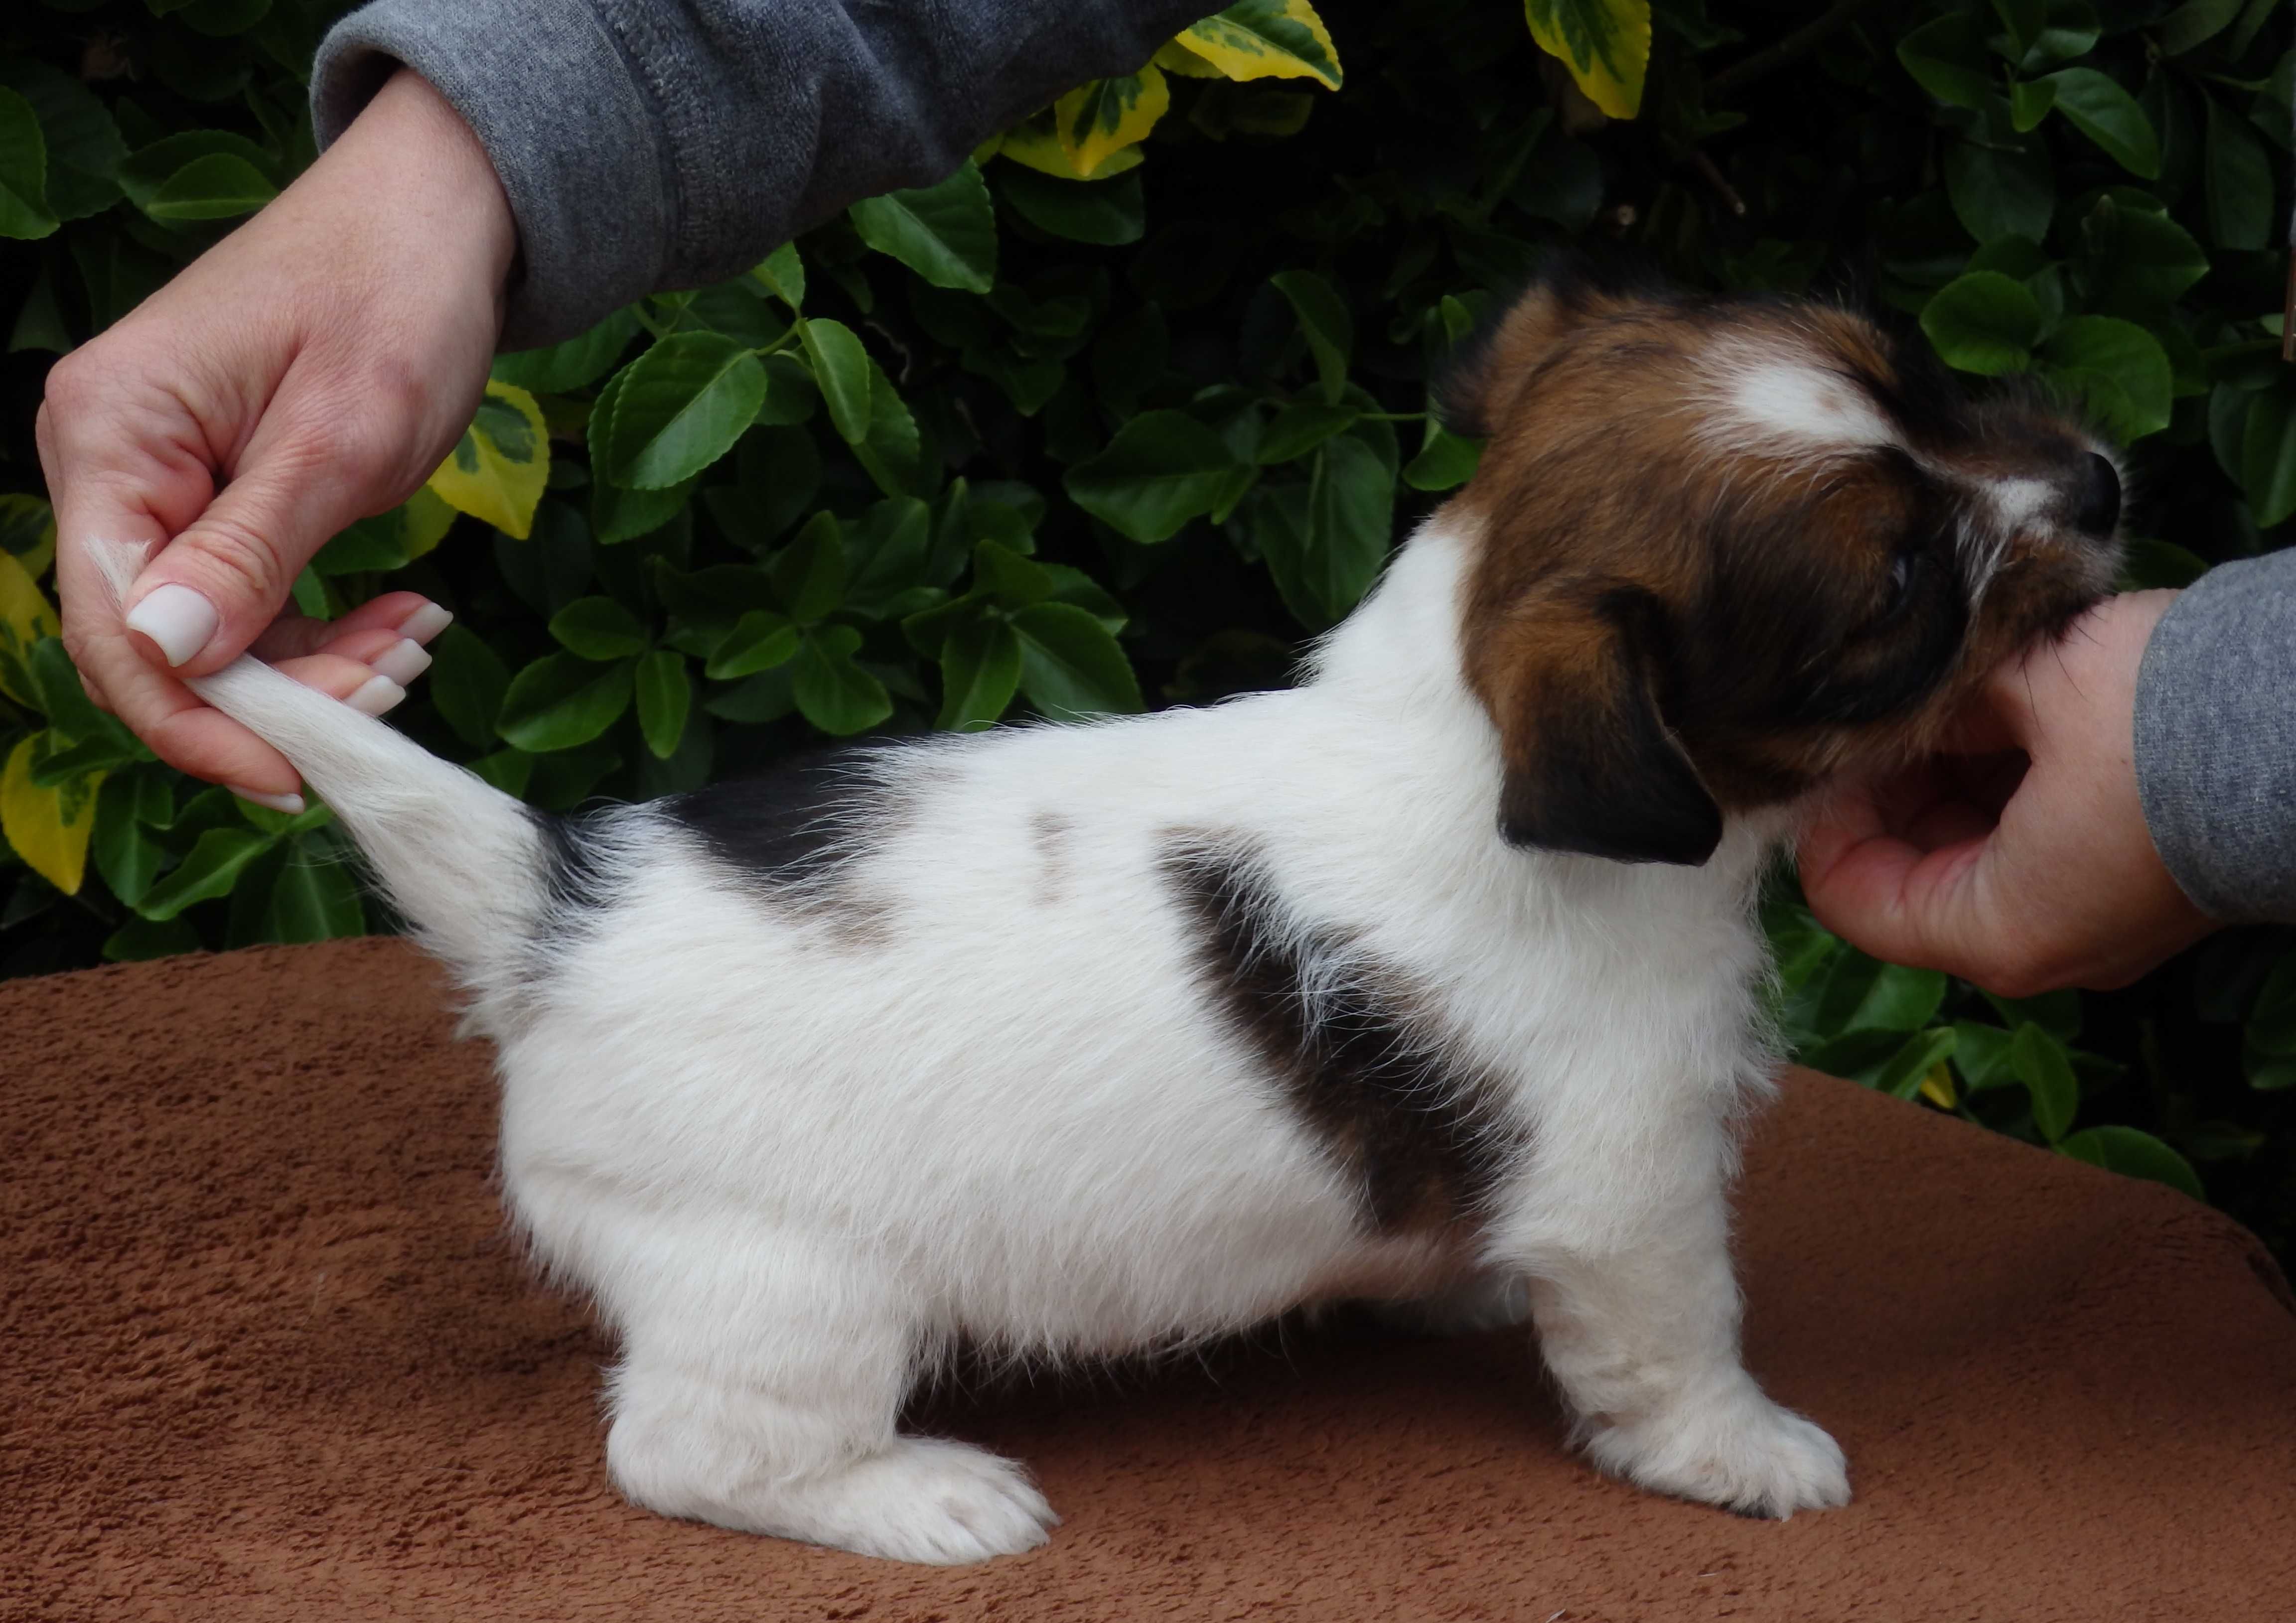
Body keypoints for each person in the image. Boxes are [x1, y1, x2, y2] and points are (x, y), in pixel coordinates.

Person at [33, 2, 2294, 992]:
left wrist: (2237, 748)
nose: (2058, 480)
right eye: (1896, 430)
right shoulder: (1578, 750)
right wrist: (470, 154)